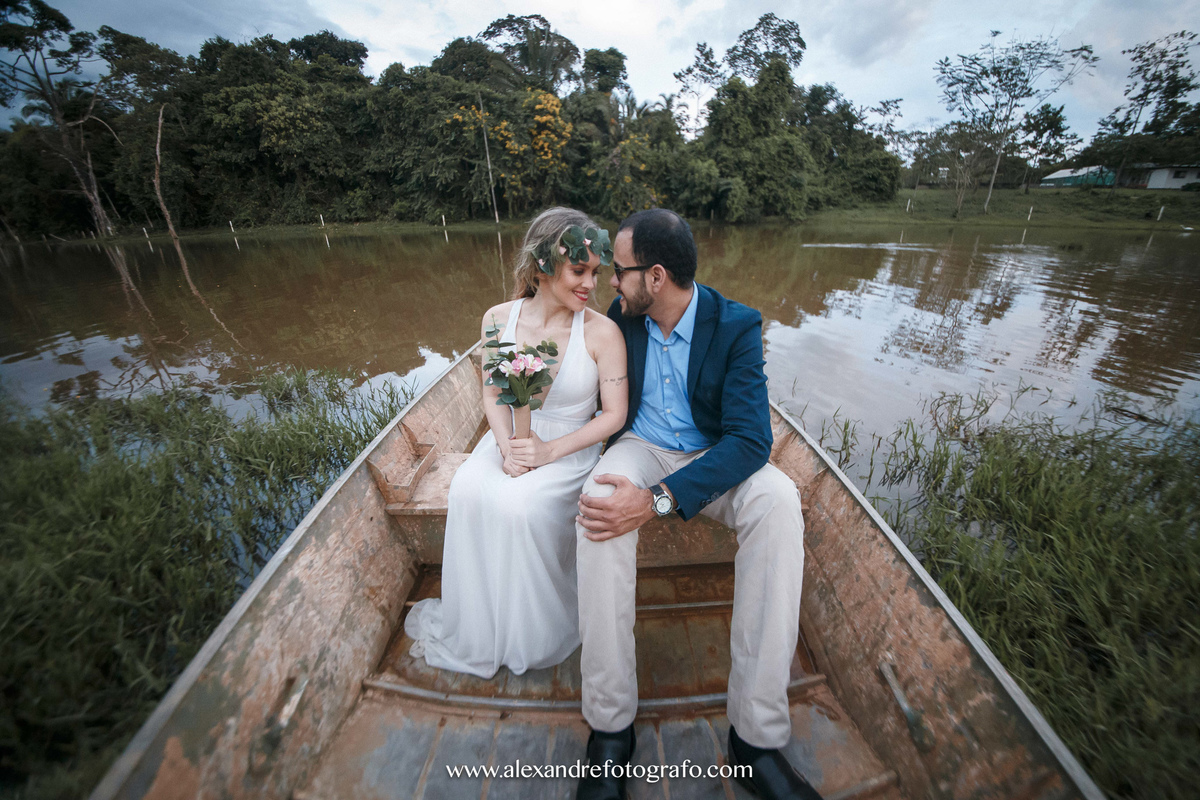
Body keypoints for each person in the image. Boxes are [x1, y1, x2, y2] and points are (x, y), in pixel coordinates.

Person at [574, 209, 821, 800]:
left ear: (656, 277)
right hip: (640, 447)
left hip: (713, 454)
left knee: (779, 500)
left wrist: (658, 502)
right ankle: (610, 728)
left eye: (620, 270)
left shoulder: (736, 325)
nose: (612, 280)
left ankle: (755, 739)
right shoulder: (623, 318)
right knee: (599, 503)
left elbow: (751, 441)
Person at [405, 207, 628, 679]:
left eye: (595, 272)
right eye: (579, 271)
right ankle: (482, 628)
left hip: (569, 448)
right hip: (507, 437)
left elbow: (614, 415)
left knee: (520, 507)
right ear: (544, 265)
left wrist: (547, 452)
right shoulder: (497, 319)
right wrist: (507, 448)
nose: (591, 284)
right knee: (468, 490)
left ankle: (534, 631)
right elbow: (492, 394)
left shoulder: (603, 332)